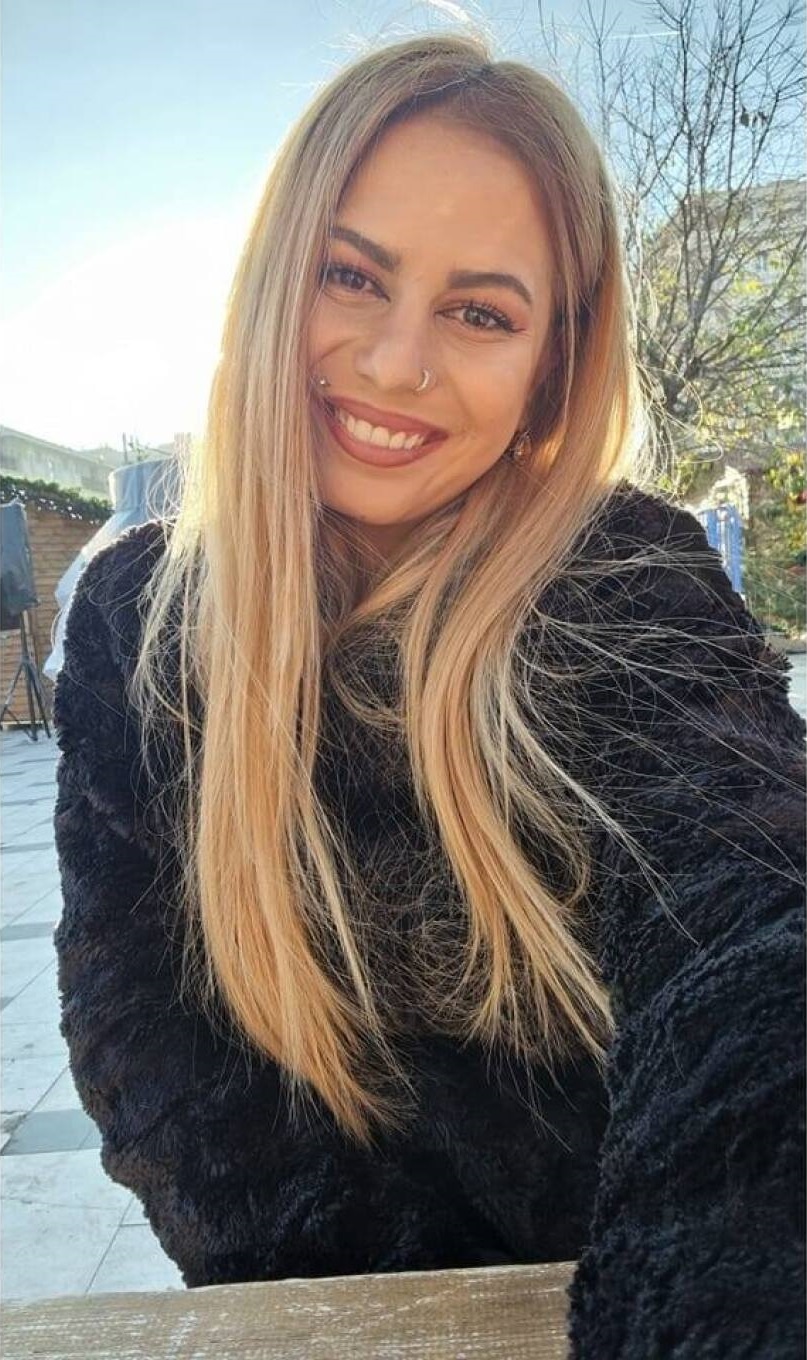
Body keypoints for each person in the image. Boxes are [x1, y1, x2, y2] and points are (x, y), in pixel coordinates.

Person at [52, 32, 805, 1356]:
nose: (399, 363)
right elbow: (146, 1038)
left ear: (551, 366)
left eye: (481, 312)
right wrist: (366, 1305)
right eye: (352, 276)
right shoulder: (139, 613)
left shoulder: (627, 578)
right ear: (275, 281)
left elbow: (750, 931)